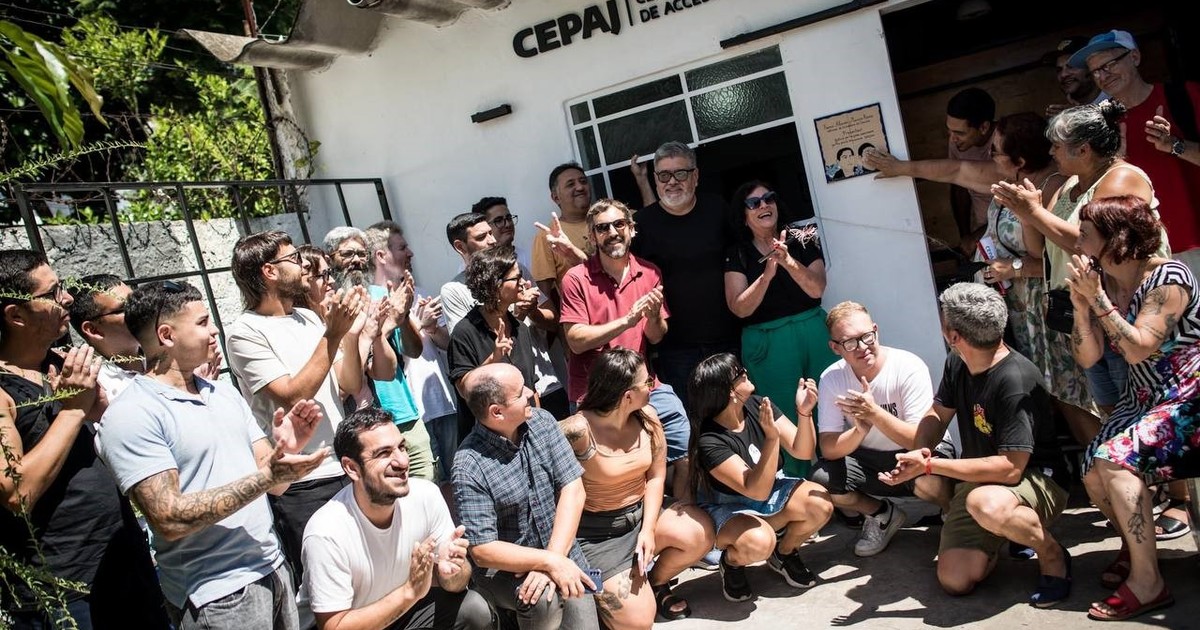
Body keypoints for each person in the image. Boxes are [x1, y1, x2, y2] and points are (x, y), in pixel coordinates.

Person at [98, 280, 329, 629]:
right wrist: (267, 476)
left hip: (273, 568)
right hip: (216, 595)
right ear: (166, 335)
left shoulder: (223, 394)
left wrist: (286, 450)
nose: (214, 330)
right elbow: (169, 518)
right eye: (203, 322)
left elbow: (274, 485)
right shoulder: (133, 413)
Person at [0, 250, 167, 629]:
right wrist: (74, 411)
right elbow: (15, 493)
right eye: (52, 293)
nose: (67, 299)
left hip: (125, 560)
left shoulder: (63, 365)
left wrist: (100, 412)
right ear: (15, 315)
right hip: (66, 589)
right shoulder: (4, 390)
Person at [880, 283, 1069, 606]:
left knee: (986, 505)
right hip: (981, 481)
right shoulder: (958, 362)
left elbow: (1010, 469)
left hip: (1037, 478)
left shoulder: (1014, 379)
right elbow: (937, 414)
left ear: (954, 336)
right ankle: (1005, 532)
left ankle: (1052, 555)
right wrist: (921, 449)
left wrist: (930, 464)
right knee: (955, 580)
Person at [992, 102, 1169, 444]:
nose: (1051, 153)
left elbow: (1092, 243)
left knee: (1141, 405)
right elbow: (1040, 248)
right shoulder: (1069, 183)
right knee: (1110, 409)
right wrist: (1027, 212)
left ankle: (1165, 475)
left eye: (1057, 146)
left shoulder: (1122, 178)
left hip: (1123, 307)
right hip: (1083, 311)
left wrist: (1033, 212)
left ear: (1084, 149)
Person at [1064, 195, 1198, 620]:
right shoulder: (1103, 280)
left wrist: (1098, 301)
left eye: (1086, 233)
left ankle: (1148, 583)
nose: (1077, 241)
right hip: (1142, 398)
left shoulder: (1169, 278)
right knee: (1091, 468)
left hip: (1188, 397)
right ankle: (1136, 546)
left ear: (1116, 239)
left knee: (1114, 460)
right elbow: (1087, 357)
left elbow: (1139, 348)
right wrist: (1082, 308)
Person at [864, 112, 1064, 381]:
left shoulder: (1052, 187)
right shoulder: (1011, 176)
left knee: (1056, 385)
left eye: (995, 151)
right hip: (1013, 305)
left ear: (1020, 160)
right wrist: (901, 168)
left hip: (1041, 310)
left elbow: (1059, 260)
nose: (990, 155)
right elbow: (956, 170)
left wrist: (1014, 268)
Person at [226, 230, 370, 585]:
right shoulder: (245, 332)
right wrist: (332, 335)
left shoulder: (308, 319)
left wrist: (350, 335)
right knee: (328, 583)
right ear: (269, 272)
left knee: (367, 571)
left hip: (344, 466)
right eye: (293, 258)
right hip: (302, 482)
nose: (304, 264)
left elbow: (349, 384)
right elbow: (292, 394)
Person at [558, 349, 714, 626]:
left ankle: (655, 582)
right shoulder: (577, 431)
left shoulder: (648, 417)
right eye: (647, 382)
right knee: (639, 622)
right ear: (627, 396)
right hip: (597, 534)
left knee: (699, 533)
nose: (652, 386)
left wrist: (648, 530)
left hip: (641, 514)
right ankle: (609, 592)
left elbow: (655, 476)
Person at [300, 407, 492, 629]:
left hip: (406, 614)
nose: (402, 462)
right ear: (352, 468)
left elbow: (456, 584)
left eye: (402, 447)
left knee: (473, 609)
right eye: (384, 453)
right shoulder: (326, 532)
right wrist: (410, 592)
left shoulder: (425, 495)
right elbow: (334, 626)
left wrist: (453, 571)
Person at [558, 199, 692, 499]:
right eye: (602, 228)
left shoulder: (649, 272)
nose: (612, 232)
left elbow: (656, 337)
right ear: (592, 237)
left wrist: (653, 316)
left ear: (631, 229)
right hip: (595, 394)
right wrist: (627, 321)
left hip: (644, 387)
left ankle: (684, 516)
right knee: (612, 479)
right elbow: (576, 339)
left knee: (684, 448)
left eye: (619, 224)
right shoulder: (576, 278)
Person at [452, 363, 600, 630]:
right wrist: (548, 562)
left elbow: (573, 488)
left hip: (561, 551)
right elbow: (483, 550)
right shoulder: (468, 465)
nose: (531, 393)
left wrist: (553, 558)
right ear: (497, 412)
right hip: (508, 571)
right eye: (520, 392)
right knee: (541, 600)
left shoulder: (542, 421)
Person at [687, 353, 833, 602]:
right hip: (731, 507)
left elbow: (803, 451)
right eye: (739, 373)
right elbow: (756, 490)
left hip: (769, 491)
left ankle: (784, 552)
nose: (745, 372)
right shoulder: (710, 440)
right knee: (759, 542)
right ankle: (732, 562)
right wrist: (772, 439)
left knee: (820, 503)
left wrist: (804, 413)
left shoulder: (757, 405)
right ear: (729, 391)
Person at [724, 180, 835, 477]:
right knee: (783, 413)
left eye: (769, 198)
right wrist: (766, 276)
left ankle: (842, 480)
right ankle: (798, 486)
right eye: (754, 203)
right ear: (743, 215)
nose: (763, 205)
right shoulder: (737, 252)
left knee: (830, 406)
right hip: (768, 342)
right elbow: (739, 308)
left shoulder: (802, 238)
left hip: (813, 331)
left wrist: (787, 261)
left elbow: (817, 288)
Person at [1069, 30, 1200, 273]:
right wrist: (1113, 163)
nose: (1102, 76)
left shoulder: (1183, 96)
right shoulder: (1102, 124)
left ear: (1135, 57)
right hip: (1143, 254)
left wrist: (1174, 145)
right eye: (1095, 71)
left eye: (1109, 65)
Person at [810, 302, 933, 557]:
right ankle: (881, 514)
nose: (862, 347)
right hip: (869, 461)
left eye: (867, 336)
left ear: (876, 330)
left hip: (917, 455)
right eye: (850, 342)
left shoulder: (908, 366)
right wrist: (860, 430)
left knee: (932, 481)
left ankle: (952, 517)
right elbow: (829, 448)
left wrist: (874, 413)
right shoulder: (832, 378)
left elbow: (920, 441)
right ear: (835, 348)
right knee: (822, 479)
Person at [628, 141, 740, 409]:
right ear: (656, 179)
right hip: (675, 348)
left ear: (696, 176)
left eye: (680, 173)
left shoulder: (718, 209)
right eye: (664, 175)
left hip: (727, 337)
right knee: (692, 419)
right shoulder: (642, 224)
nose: (672, 181)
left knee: (736, 411)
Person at [365, 221, 459, 480]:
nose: (410, 253)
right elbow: (397, 353)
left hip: (443, 402)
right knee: (429, 484)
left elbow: (445, 344)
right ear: (381, 255)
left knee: (453, 480)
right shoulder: (372, 301)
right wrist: (413, 320)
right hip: (412, 410)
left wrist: (431, 328)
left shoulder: (420, 292)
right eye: (402, 248)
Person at [449, 244, 569, 425]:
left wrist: (539, 426)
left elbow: (531, 388)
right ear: (495, 285)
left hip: (526, 428)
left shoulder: (520, 328)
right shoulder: (464, 333)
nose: (524, 283)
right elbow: (465, 390)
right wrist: (494, 358)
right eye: (516, 278)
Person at [530, 163, 593, 306]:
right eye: (571, 184)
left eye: (583, 181)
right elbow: (544, 296)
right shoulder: (547, 236)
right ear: (556, 198)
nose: (580, 187)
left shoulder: (612, 222)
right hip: (583, 315)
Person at [946, 87, 997, 242]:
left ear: (984, 127)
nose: (952, 138)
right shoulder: (956, 143)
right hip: (981, 233)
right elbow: (959, 188)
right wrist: (965, 235)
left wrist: (978, 235)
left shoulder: (1005, 140)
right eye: (949, 131)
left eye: (960, 133)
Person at [1043, 37, 1106, 117]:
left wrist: (1080, 117)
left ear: (1092, 68)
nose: (1063, 75)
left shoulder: (1116, 98)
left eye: (1072, 67)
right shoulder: (1065, 112)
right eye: (1059, 70)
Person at [473, 196, 532, 272]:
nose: (508, 224)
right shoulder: (473, 266)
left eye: (509, 218)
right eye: (498, 220)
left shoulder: (529, 258)